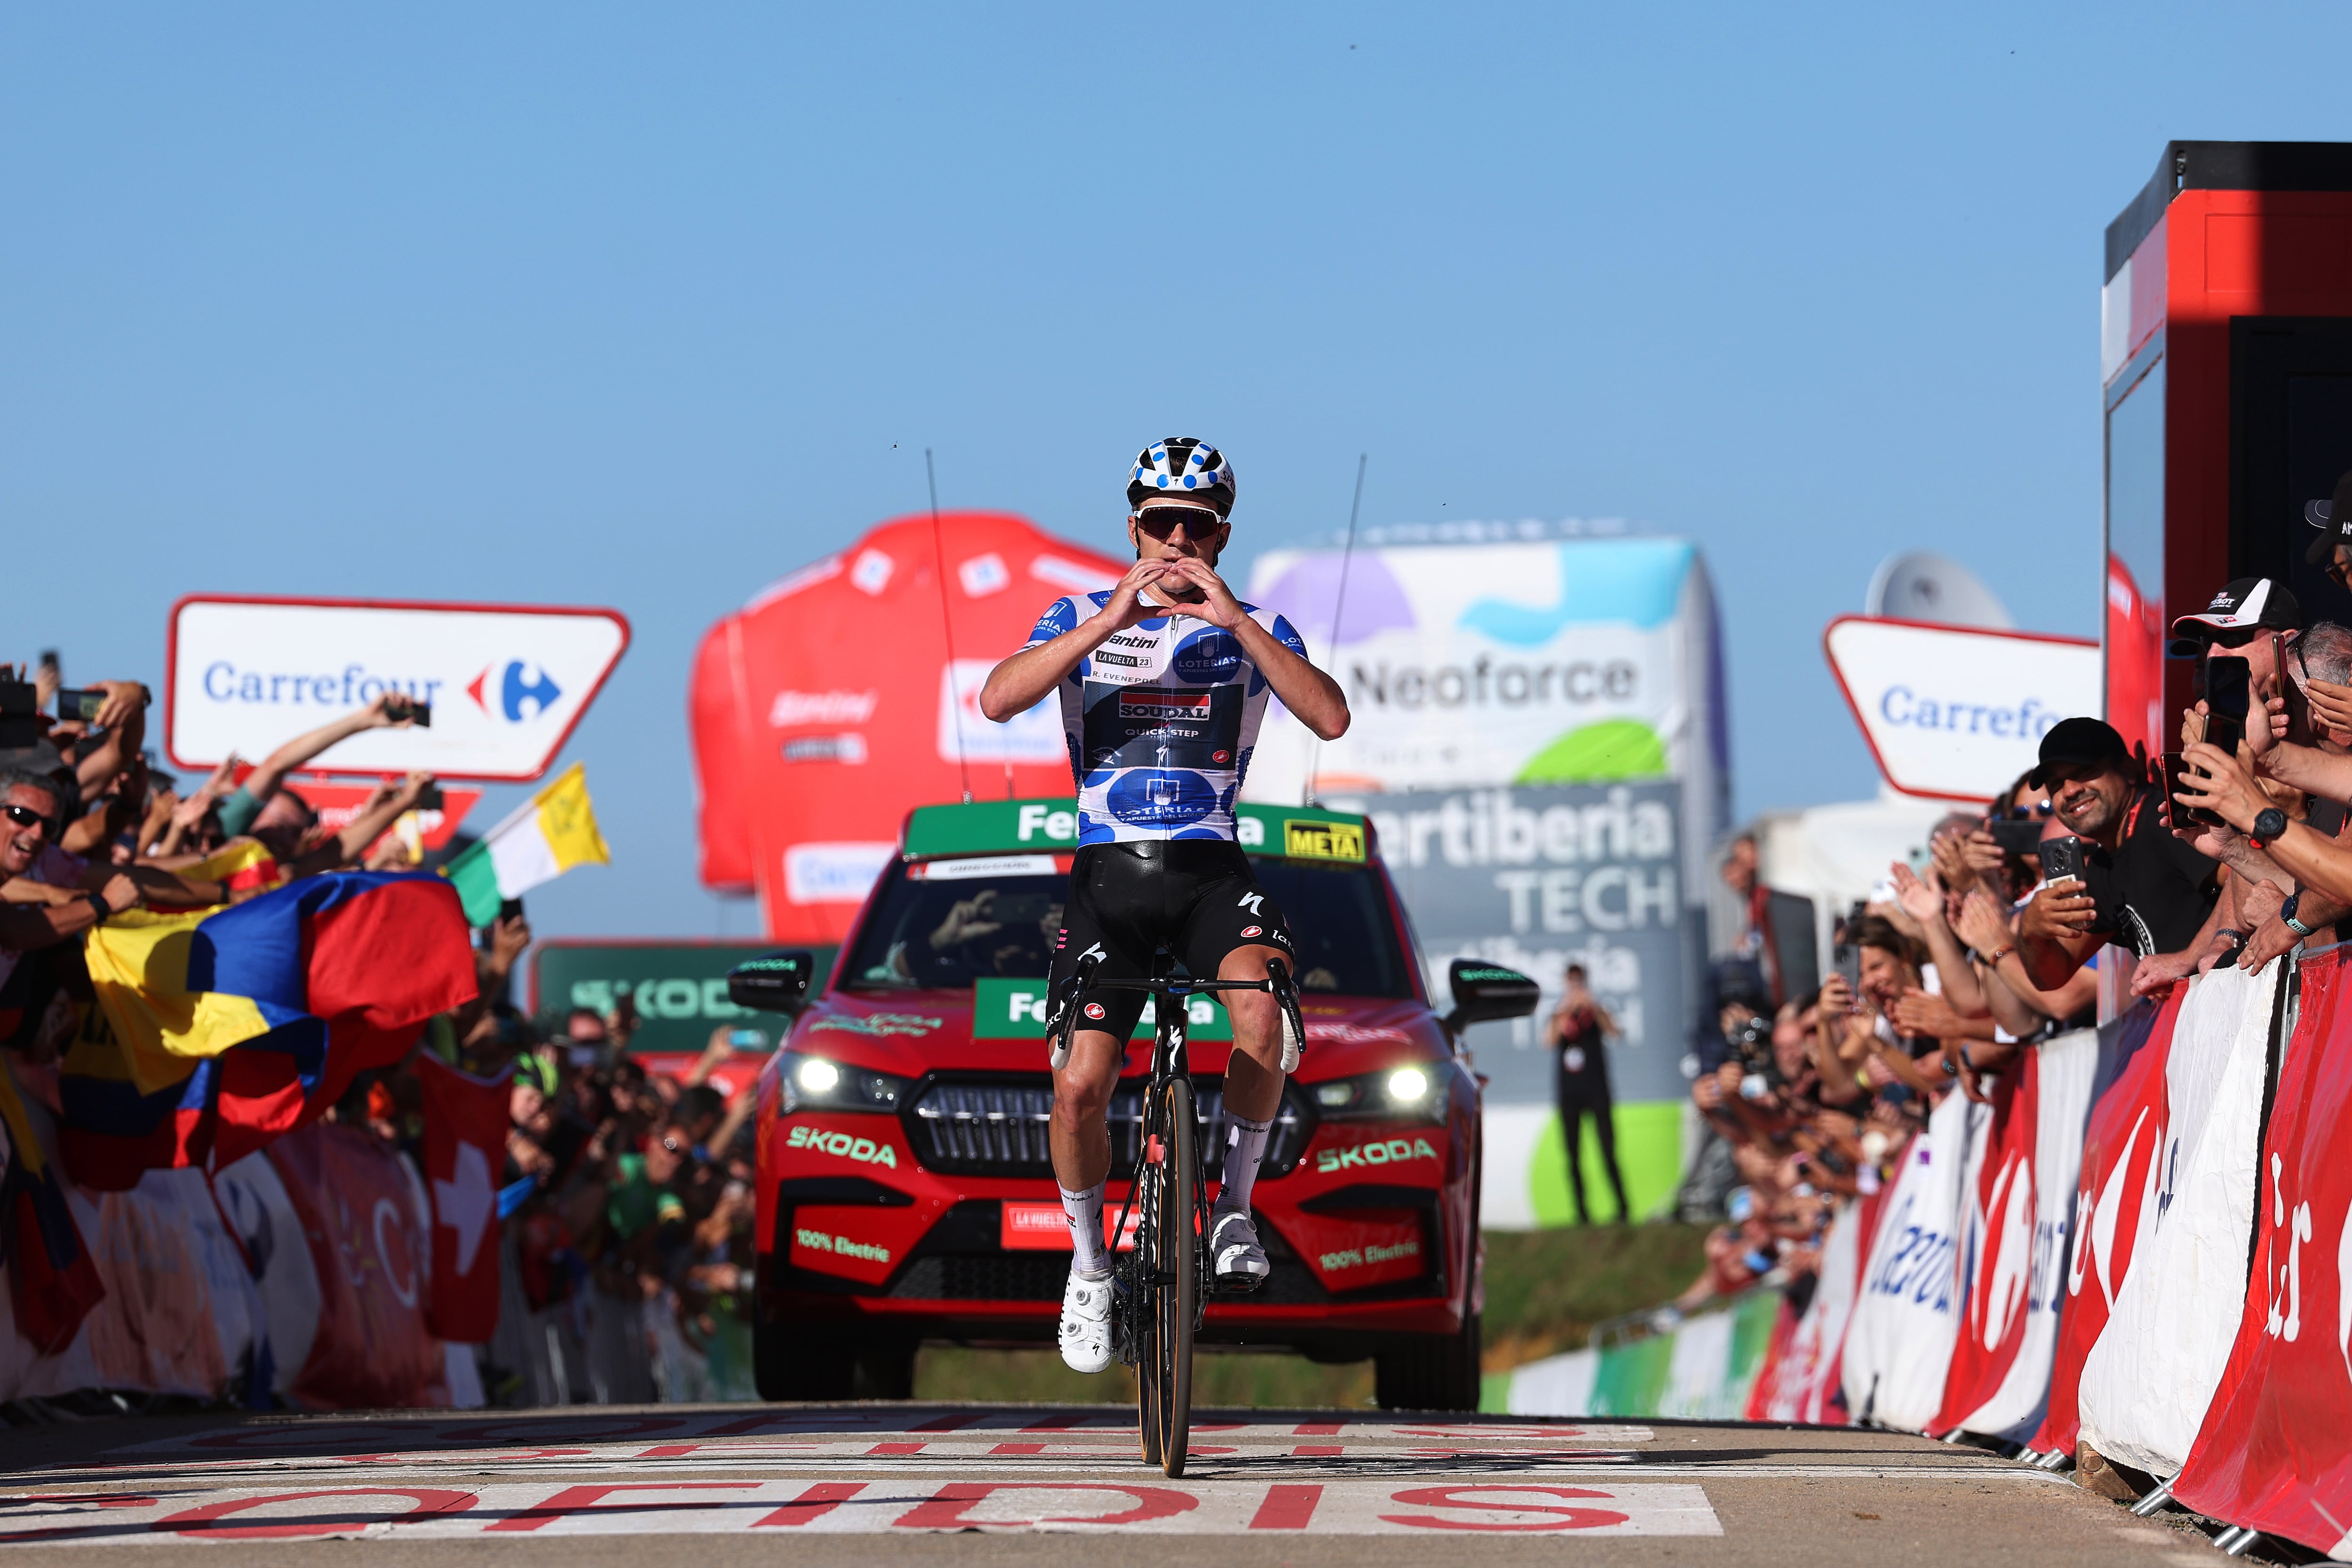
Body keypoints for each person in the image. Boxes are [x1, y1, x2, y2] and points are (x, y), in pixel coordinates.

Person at [978, 436, 1350, 1375]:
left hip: (1211, 873)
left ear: (1223, 535)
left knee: (1262, 1019)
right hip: (1109, 877)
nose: (1176, 540)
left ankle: (1231, 1205)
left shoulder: (1253, 624)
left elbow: (1331, 716)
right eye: (1159, 522)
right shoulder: (1078, 615)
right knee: (1078, 1087)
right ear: (1133, 524)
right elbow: (995, 699)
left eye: (1197, 526)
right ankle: (1091, 1265)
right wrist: (1105, 622)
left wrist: (1236, 620)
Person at [2016, 717, 2225, 990]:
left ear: (2127, 769)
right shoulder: (2105, 867)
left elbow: (2245, 878)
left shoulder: (2163, 819)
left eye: (2084, 771)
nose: (2070, 790)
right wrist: (2031, 932)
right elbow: (2053, 976)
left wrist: (2188, 958)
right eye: (2056, 784)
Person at [1548, 963, 1629, 1225]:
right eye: (1571, 982)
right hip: (1569, 1093)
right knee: (1573, 1155)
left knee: (1608, 1149)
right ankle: (1581, 1212)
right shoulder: (1559, 1014)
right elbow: (1549, 1041)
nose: (1576, 987)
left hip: (1597, 1089)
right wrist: (1565, 1010)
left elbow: (1615, 1034)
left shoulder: (1596, 1012)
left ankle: (1622, 1208)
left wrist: (1593, 1007)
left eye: (1579, 981)